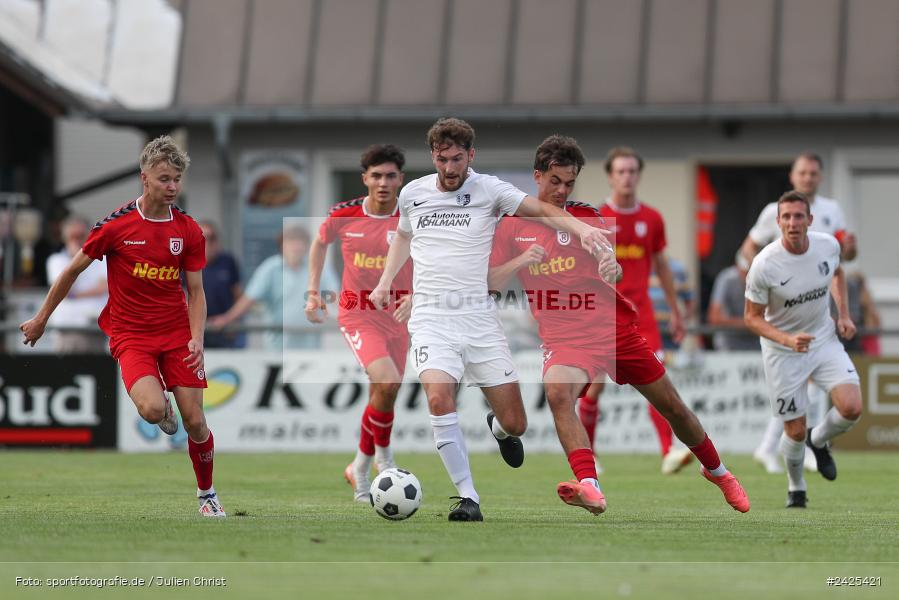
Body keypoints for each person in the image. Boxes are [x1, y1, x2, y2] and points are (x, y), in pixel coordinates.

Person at [488, 135, 749, 515]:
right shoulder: (513, 226)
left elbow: (613, 262)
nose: (562, 191)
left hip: (613, 331)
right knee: (559, 394)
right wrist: (521, 260)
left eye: (570, 183)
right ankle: (590, 487)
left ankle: (719, 472)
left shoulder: (588, 217)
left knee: (673, 407)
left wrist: (613, 265)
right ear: (537, 177)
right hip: (564, 338)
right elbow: (490, 281)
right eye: (555, 181)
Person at [369, 118, 611, 521]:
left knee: (516, 423)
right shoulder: (412, 194)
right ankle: (468, 497)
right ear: (433, 156)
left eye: (458, 159)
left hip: (479, 320)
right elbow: (404, 238)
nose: (450, 168)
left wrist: (581, 230)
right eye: (443, 159)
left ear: (471, 156)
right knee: (438, 396)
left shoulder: (490, 189)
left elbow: (541, 209)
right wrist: (384, 282)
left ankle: (498, 429)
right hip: (431, 318)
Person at [20, 135, 225, 517]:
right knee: (150, 409)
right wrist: (41, 319)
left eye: (177, 179)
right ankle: (164, 410)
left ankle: (207, 493)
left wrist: (198, 338)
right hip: (132, 336)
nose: (172, 187)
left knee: (196, 421)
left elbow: (195, 292)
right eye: (164, 178)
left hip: (178, 334)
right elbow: (71, 272)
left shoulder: (189, 230)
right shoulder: (115, 226)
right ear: (144, 177)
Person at [306, 144, 413, 502]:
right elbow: (319, 243)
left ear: (401, 179)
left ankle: (358, 467)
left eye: (391, 176)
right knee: (386, 381)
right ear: (365, 178)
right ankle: (384, 458)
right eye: (377, 176)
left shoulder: (411, 216)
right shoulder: (345, 214)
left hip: (400, 317)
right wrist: (313, 290)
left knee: (385, 393)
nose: (383, 182)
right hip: (358, 313)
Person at [577, 146, 693, 475]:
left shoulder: (651, 219)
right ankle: (589, 454)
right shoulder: (596, 217)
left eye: (632, 171)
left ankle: (669, 449)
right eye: (621, 171)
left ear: (638, 175)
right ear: (611, 176)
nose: (627, 177)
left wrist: (675, 310)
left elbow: (662, 266)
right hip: (604, 315)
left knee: (656, 380)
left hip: (641, 314)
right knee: (595, 385)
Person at [744, 191, 862, 508]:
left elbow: (837, 272)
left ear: (809, 220)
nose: (793, 223)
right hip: (782, 351)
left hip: (822, 338)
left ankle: (819, 439)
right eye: (786, 217)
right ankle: (796, 487)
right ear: (778, 222)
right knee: (793, 431)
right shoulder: (764, 264)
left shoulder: (828, 245)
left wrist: (844, 315)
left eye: (799, 216)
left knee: (851, 407)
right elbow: (752, 318)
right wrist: (786, 340)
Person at [209, 225, 338, 350]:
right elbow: (249, 298)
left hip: (310, 347)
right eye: (292, 241)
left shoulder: (320, 267)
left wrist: (351, 318)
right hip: (277, 347)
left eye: (300, 242)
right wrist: (227, 318)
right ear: (282, 245)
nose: (296, 247)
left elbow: (335, 296)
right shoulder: (270, 268)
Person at [45, 215, 108, 353]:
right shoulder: (57, 260)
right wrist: (75, 261)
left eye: (81, 236)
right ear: (65, 238)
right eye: (73, 237)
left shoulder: (102, 259)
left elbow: (104, 287)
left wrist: (75, 294)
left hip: (95, 328)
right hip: (68, 329)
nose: (77, 241)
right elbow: (64, 291)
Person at [198, 220, 244, 349]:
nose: (208, 242)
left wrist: (232, 320)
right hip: (197, 331)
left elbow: (238, 295)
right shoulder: (186, 264)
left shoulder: (228, 262)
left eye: (212, 238)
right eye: (203, 237)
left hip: (225, 329)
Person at [707, 257, 759, 351]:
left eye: (752, 273)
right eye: (746, 272)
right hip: (729, 344)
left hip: (756, 345)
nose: (749, 277)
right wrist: (750, 322)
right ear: (737, 268)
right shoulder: (726, 278)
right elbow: (714, 318)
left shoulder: (763, 278)